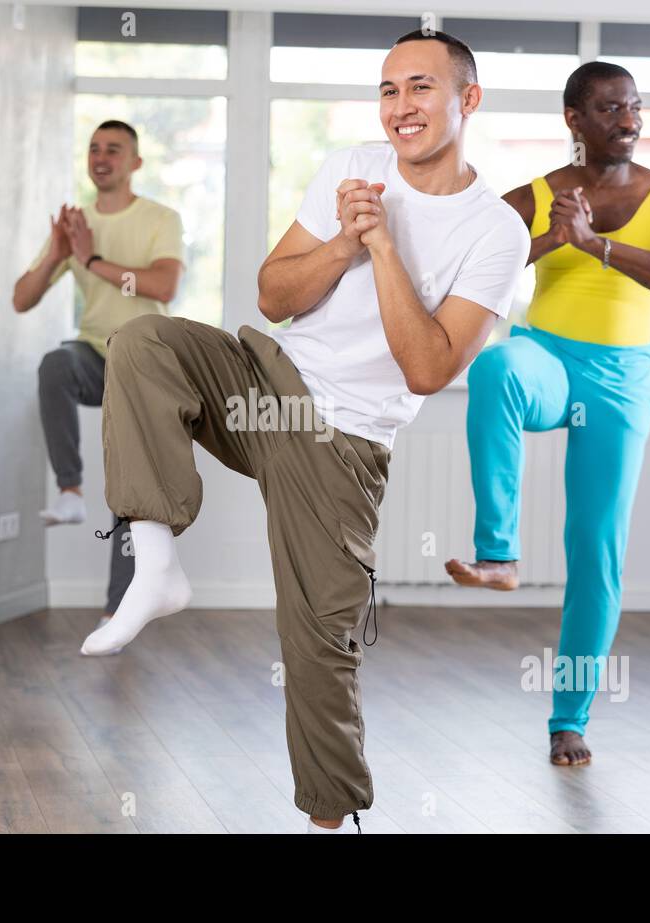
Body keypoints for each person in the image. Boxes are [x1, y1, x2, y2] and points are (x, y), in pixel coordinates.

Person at [83, 30, 528, 833]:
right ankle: (154, 566)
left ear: (468, 100)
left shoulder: (495, 232)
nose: (401, 108)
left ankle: (330, 820)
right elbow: (272, 294)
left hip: (346, 440)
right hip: (266, 385)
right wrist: (342, 241)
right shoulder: (350, 166)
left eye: (421, 88)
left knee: (319, 639)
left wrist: (383, 243)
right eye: (389, 90)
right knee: (142, 343)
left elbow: (427, 367)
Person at [445, 61, 650, 768]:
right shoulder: (537, 195)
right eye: (608, 109)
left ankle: (569, 718)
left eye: (634, 108)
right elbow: (462, 272)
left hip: (623, 379)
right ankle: (497, 553)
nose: (627, 121)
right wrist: (550, 241)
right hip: (548, 361)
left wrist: (598, 245)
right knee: (497, 365)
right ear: (574, 119)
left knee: (595, 552)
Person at [12, 120, 184, 633]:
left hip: (145, 360)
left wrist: (91, 258)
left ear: (135, 163)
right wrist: (60, 256)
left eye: (114, 149)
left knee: (129, 482)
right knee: (55, 365)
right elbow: (21, 298)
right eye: (93, 149)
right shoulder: (77, 224)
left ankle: (116, 609)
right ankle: (68, 491)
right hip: (94, 354)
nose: (101, 156)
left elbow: (164, 284)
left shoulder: (160, 217)